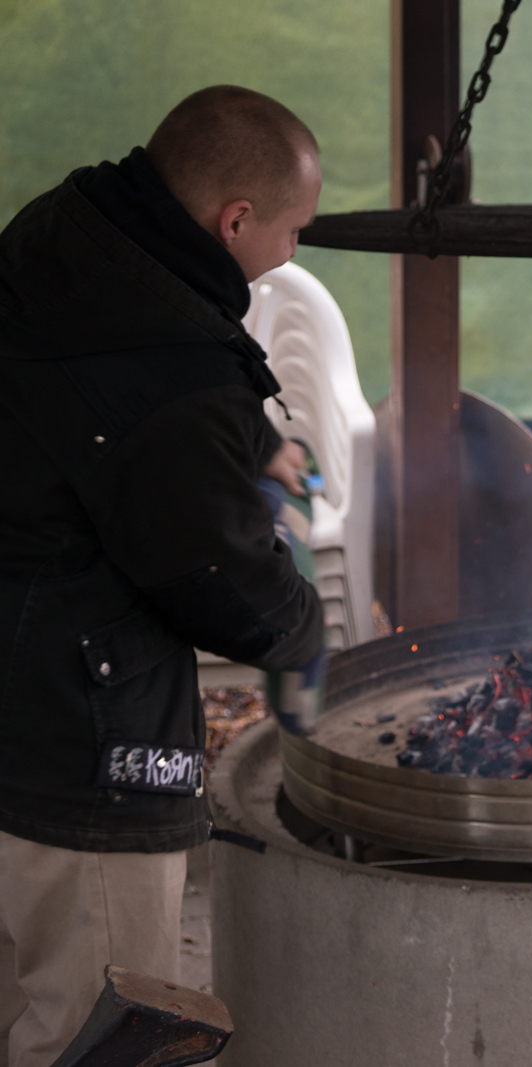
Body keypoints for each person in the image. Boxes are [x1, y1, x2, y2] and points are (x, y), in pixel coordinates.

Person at [0, 85, 325, 1066]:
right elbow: (222, 583)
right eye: (292, 230)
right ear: (235, 220)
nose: (292, 254)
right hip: (80, 749)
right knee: (97, 1036)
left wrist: (245, 444)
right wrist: (305, 629)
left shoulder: (65, 233)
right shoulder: (182, 376)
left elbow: (108, 406)